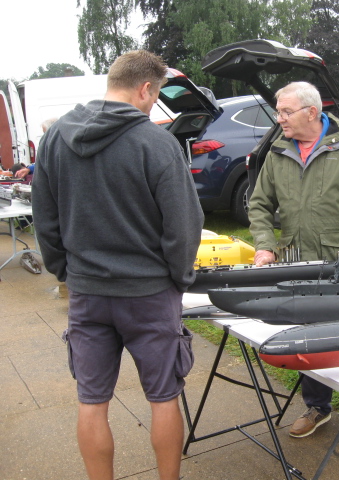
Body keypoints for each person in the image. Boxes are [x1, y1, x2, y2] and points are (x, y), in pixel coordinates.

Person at [32, 50, 204, 480]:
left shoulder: (56, 139)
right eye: (156, 95)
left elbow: (44, 219)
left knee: (91, 401)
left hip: (88, 295)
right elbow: (183, 225)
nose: (153, 104)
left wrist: (66, 273)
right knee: (164, 398)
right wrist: (179, 279)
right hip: (149, 295)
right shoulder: (157, 143)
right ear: (145, 88)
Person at [249, 81, 339, 438]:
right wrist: (264, 245)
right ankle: (317, 406)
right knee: (309, 335)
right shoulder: (278, 152)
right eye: (278, 111)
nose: (279, 119)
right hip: (298, 262)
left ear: (312, 112)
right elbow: (259, 204)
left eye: (285, 111)